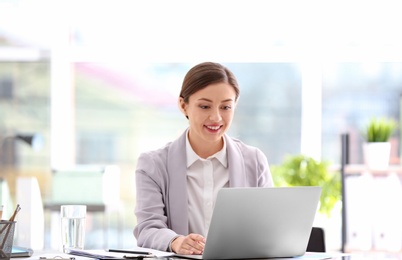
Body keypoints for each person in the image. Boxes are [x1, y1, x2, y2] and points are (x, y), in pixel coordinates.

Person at [134, 62, 273, 255]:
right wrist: (176, 241)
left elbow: (268, 227)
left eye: (226, 107)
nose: (216, 117)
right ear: (183, 105)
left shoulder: (255, 161)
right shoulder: (153, 165)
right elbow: (147, 228)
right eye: (205, 106)